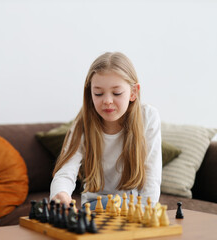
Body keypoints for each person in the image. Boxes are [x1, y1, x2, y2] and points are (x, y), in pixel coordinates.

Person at [50, 52, 162, 210]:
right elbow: (66, 170)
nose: (107, 100)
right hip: (95, 205)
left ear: (133, 92)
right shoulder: (83, 122)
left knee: (124, 204)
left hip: (133, 205)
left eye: (116, 93)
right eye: (98, 93)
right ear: (90, 93)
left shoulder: (148, 116)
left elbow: (152, 175)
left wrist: (146, 213)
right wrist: (61, 194)